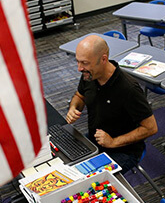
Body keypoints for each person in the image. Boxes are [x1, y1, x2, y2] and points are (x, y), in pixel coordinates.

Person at [66, 35, 158, 173]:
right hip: (95, 140)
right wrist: (74, 107)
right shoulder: (89, 74)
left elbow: (151, 128)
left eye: (84, 63)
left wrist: (113, 142)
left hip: (123, 151)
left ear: (103, 59)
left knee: (89, 183)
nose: (79, 68)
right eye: (78, 62)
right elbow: (80, 95)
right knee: (64, 161)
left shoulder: (129, 89)